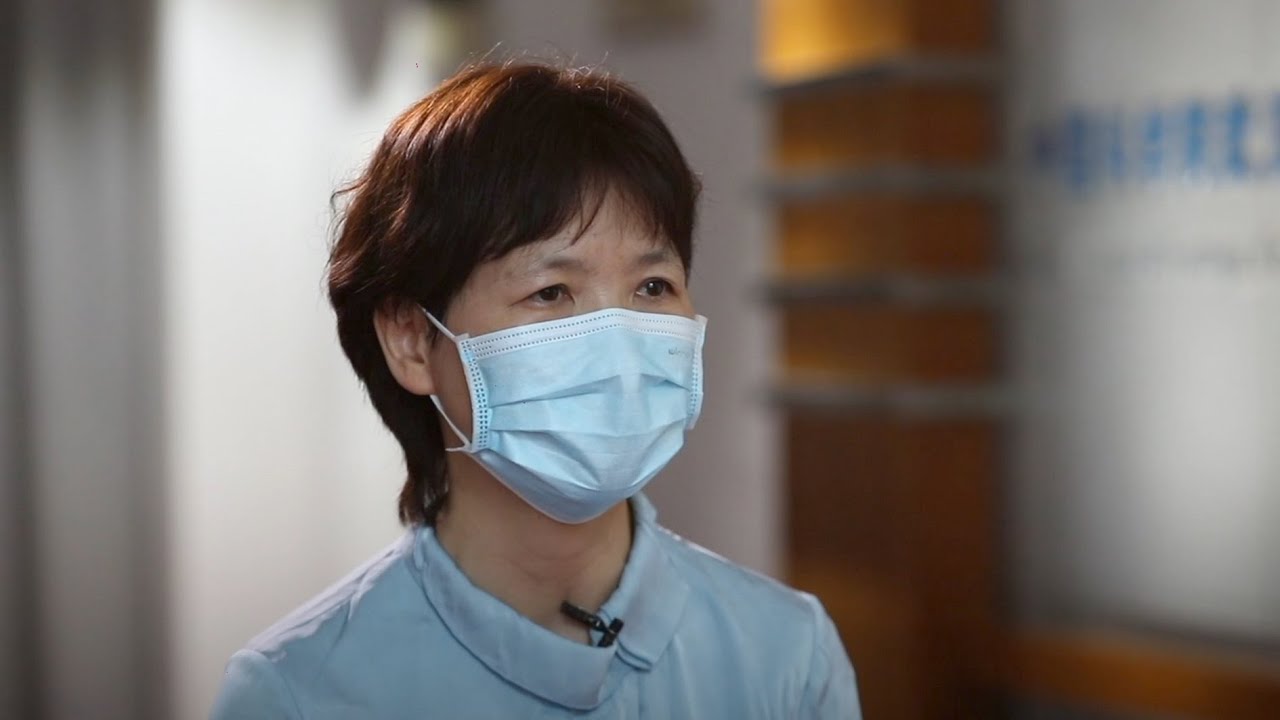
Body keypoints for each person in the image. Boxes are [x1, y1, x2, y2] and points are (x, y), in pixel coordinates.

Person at [210, 60, 861, 719]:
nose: (618, 346)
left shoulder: (787, 657)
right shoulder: (298, 693)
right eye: (550, 292)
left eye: (652, 287)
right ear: (411, 340)